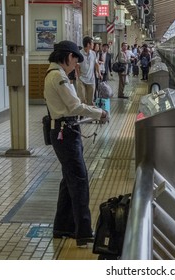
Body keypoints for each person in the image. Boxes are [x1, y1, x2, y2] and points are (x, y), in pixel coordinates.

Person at [43, 40, 109, 248]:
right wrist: (100, 113)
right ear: (68, 57)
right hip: (65, 133)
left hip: (64, 130)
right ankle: (83, 232)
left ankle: (62, 226)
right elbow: (73, 106)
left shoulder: (55, 74)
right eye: (75, 60)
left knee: (69, 179)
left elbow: (72, 106)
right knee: (79, 180)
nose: (76, 64)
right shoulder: (58, 76)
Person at [76, 36, 102, 105]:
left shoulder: (93, 53)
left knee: (90, 100)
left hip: (91, 80)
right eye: (92, 43)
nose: (93, 45)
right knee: (82, 99)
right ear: (88, 44)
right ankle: (83, 115)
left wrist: (99, 73)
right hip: (81, 80)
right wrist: (78, 76)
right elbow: (77, 66)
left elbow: (96, 64)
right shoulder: (79, 54)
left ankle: (88, 115)